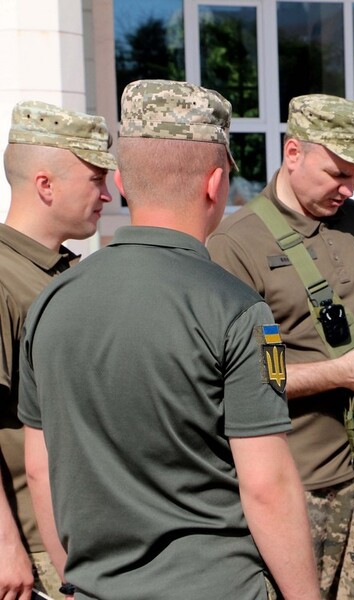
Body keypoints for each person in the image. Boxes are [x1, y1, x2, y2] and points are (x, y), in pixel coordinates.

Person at [17, 80, 320, 600]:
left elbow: (41, 468)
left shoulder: (51, 302)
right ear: (216, 183)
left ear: (124, 183)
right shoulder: (238, 309)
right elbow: (267, 487)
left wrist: (77, 581)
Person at [207, 93, 354, 599]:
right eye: (337, 172)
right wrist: (340, 373)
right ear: (293, 153)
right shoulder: (236, 243)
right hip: (296, 485)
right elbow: (242, 379)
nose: (349, 187)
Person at [0, 100, 116, 600]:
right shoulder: (3, 280)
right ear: (45, 185)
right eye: (95, 180)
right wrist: (5, 545)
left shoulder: (66, 271)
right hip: (39, 545)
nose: (108, 195)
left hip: (88, 533)